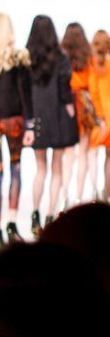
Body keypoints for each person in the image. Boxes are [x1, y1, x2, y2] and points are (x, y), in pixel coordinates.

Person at [0, 10, 34, 250]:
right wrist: (30, 124)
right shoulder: (18, 58)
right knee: (16, 169)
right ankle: (11, 223)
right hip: (14, 122)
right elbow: (25, 95)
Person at [25, 15, 78, 231]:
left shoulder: (27, 59)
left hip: (37, 117)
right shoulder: (60, 58)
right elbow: (64, 86)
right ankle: (49, 216)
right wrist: (69, 105)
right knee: (57, 169)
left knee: (40, 169)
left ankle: (34, 214)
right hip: (57, 117)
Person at [62, 22, 103, 203]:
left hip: (68, 105)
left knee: (68, 154)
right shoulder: (88, 58)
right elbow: (93, 87)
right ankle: (79, 196)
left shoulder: (62, 57)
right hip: (85, 106)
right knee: (84, 153)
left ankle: (65, 194)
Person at [87, 30, 110, 199]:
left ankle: (97, 192)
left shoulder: (92, 66)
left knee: (93, 154)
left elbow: (93, 94)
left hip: (101, 119)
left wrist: (100, 118)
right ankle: (107, 192)